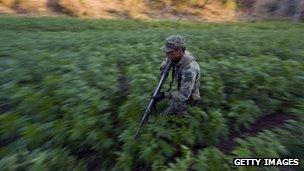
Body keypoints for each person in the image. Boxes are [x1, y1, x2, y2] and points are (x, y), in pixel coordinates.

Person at [152, 35, 201, 116]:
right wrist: (164, 69)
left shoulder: (190, 69)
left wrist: (163, 95)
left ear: (179, 51)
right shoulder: (176, 56)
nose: (166, 54)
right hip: (181, 91)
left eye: (169, 52)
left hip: (189, 99)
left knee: (166, 119)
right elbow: (166, 61)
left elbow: (183, 96)